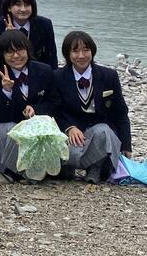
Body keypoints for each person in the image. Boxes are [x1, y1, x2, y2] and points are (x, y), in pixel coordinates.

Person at [52, 31, 132, 183]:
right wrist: (69, 128)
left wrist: (126, 146)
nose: (81, 56)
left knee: (103, 131)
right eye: (75, 51)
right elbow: (54, 110)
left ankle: (95, 167)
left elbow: (120, 113)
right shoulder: (57, 77)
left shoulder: (109, 76)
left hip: (98, 133)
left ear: (92, 51)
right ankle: (70, 165)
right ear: (67, 54)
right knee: (61, 145)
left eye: (86, 50)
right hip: (71, 133)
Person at [0, 30, 56, 180]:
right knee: (7, 129)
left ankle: (39, 169)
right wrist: (7, 91)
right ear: (2, 55)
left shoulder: (44, 70)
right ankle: (11, 171)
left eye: (19, 50)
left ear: (28, 49)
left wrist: (36, 109)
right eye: (9, 52)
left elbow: (54, 102)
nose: (16, 56)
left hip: (37, 123)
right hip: (9, 122)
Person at [0, 0, 58, 69]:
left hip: (38, 70)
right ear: (9, 8)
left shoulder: (44, 24)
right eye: (18, 5)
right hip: (9, 70)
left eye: (27, 5)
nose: (23, 9)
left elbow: (51, 54)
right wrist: (8, 37)